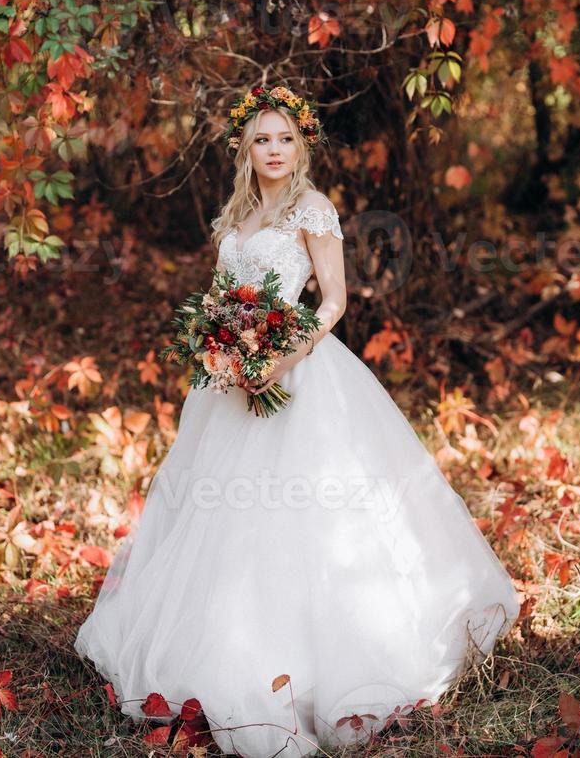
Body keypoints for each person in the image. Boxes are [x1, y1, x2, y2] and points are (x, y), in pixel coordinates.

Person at [74, 84, 521, 758]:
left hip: (301, 373)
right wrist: (221, 347)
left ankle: (325, 657)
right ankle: (214, 643)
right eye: (263, 139)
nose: (275, 150)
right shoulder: (235, 218)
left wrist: (283, 356)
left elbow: (335, 299)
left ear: (301, 145)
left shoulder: (314, 210)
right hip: (229, 385)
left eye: (285, 138)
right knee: (216, 511)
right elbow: (225, 301)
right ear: (245, 149)